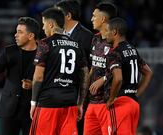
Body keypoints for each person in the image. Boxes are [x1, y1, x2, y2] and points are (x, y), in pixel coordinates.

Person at [29, 8, 89, 135]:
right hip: (70, 102)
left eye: (44, 24)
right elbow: (85, 75)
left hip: (48, 103)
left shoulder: (45, 44)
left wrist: (33, 102)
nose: (43, 28)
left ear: (51, 24)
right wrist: (80, 103)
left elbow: (38, 77)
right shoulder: (77, 45)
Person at [0, 17, 40, 135]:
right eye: (16, 31)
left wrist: (34, 85)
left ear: (31, 36)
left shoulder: (43, 52)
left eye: (20, 32)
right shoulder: (9, 51)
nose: (15, 35)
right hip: (9, 108)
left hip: (33, 110)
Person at [101, 17, 152, 135]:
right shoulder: (132, 50)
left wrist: (111, 99)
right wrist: (135, 94)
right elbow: (148, 72)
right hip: (133, 104)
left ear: (114, 32)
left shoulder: (114, 53)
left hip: (120, 105)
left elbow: (118, 78)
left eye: (107, 30)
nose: (105, 34)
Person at [55, 1, 93, 134]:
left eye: (57, 13)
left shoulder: (87, 37)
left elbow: (91, 68)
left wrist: (82, 99)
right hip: (60, 94)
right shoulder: (56, 35)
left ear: (68, 15)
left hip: (78, 97)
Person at [84, 2, 117, 135]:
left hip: (107, 103)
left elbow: (122, 71)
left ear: (103, 19)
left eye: (94, 16)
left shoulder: (115, 41)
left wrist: (103, 79)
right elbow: (94, 66)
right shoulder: (95, 39)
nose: (91, 19)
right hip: (92, 102)